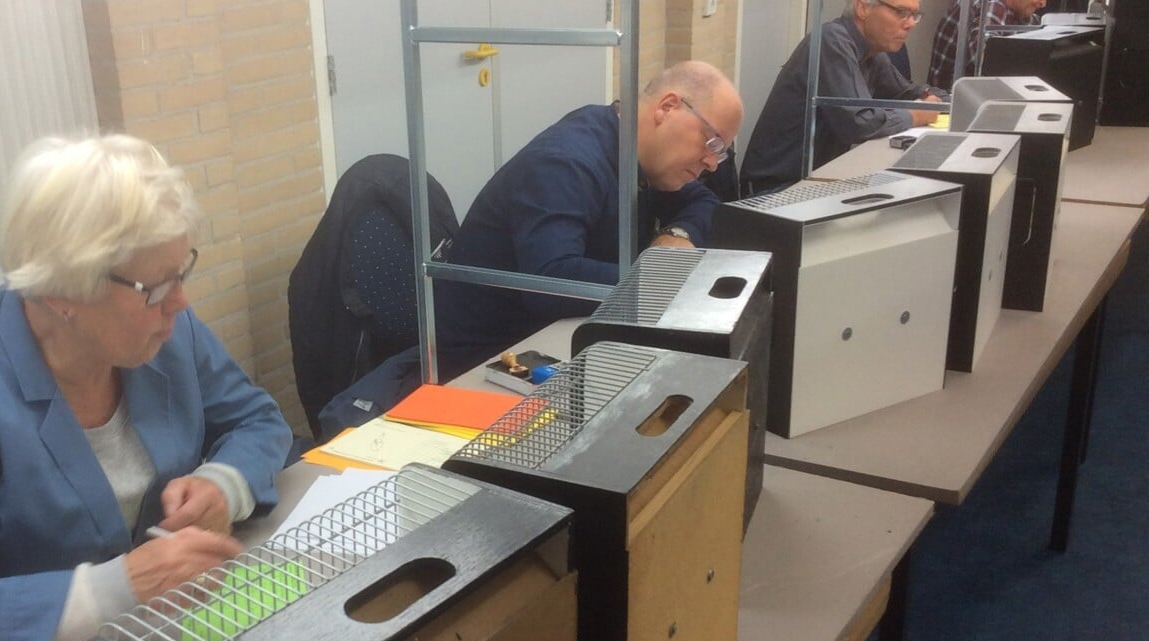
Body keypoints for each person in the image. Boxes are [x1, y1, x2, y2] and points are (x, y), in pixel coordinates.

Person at [0, 134, 293, 641]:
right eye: (156, 286)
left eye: (182, 272)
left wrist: (222, 485)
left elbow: (257, 420)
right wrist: (114, 591)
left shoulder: (166, 331)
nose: (180, 302)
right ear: (62, 292)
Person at [433, 60, 743, 378]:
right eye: (712, 142)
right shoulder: (566, 163)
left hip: (555, 337)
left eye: (721, 152)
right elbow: (552, 282)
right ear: (667, 107)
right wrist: (661, 277)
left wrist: (677, 233)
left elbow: (704, 202)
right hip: (483, 362)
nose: (712, 163)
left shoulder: (639, 153)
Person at [740, 0, 947, 197]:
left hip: (814, 181)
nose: (910, 24)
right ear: (862, 7)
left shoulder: (873, 52)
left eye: (915, 15)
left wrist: (936, 98)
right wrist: (915, 115)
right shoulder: (831, 41)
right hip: (775, 190)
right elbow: (859, 123)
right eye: (901, 12)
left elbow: (909, 92)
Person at [927, 0, 1047, 91]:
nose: (1043, 3)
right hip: (950, 104)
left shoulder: (1018, 12)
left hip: (970, 100)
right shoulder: (992, 4)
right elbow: (986, 62)